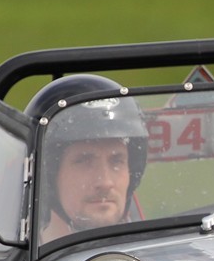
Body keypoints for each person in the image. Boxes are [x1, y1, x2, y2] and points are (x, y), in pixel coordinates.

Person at [26, 74, 149, 241]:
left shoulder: (162, 255)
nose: (105, 182)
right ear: (48, 175)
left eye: (117, 161)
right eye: (84, 161)